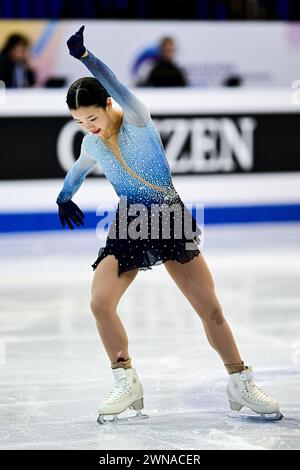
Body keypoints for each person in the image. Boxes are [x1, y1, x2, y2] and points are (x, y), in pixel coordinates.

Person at [56, 26, 283, 424]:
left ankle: (239, 381)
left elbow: (120, 86)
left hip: (169, 219)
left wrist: (87, 58)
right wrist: (64, 195)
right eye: (79, 121)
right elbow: (77, 171)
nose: (88, 126)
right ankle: (125, 379)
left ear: (108, 105)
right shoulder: (92, 143)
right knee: (99, 301)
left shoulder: (138, 121)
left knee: (210, 310)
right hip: (130, 222)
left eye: (91, 117)